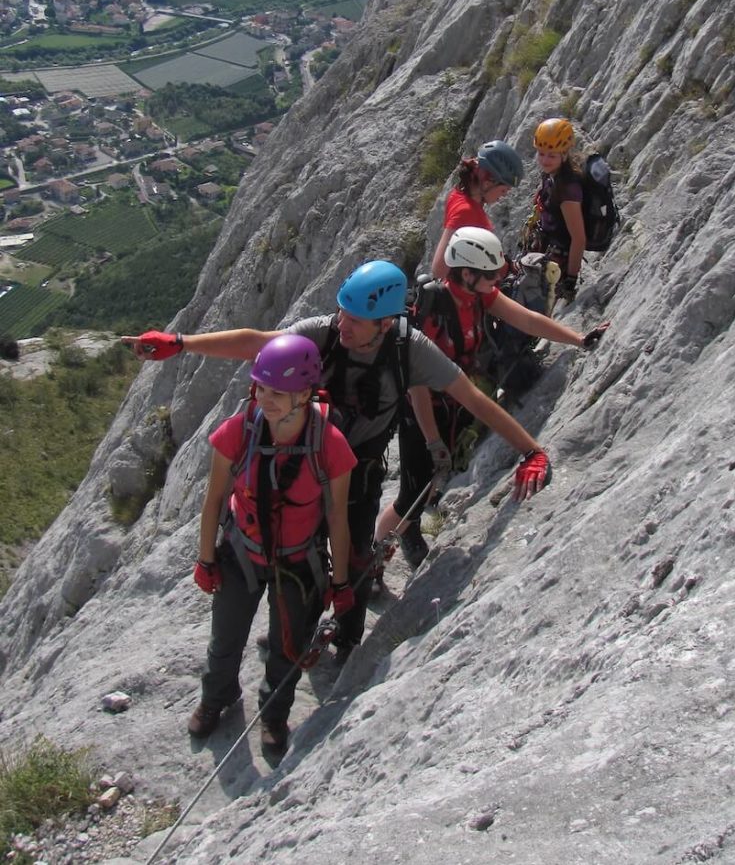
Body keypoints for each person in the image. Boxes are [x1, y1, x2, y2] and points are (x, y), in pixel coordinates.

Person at [124, 260, 552, 665]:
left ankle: (348, 639)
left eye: (355, 320)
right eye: (341, 312)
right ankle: (298, 637)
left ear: (384, 324)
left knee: (357, 559)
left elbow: (472, 398)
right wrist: (181, 344)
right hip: (306, 465)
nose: (342, 324)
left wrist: (531, 450)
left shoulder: (410, 351)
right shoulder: (325, 332)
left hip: (358, 471)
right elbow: (257, 342)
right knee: (302, 558)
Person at [376, 227, 609, 568]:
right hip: (420, 409)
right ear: (467, 274)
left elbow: (527, 319)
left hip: (454, 400)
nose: (496, 282)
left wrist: (578, 339)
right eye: (490, 276)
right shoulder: (431, 314)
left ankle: (408, 531)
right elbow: (417, 386)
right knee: (410, 493)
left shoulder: (479, 296)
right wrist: (432, 440)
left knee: (427, 484)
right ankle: (373, 562)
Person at [188, 334, 356, 751]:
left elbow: (337, 514)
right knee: (225, 638)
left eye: (278, 391)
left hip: (298, 564)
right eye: (261, 387)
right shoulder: (239, 431)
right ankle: (217, 697)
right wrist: (206, 560)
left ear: (304, 393)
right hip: (241, 553)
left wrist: (341, 579)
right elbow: (213, 502)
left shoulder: (329, 445)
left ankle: (274, 714)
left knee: (287, 648)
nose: (266, 398)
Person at [431, 140, 524, 279]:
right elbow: (439, 269)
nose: (504, 195)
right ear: (488, 183)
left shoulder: (458, 194)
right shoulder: (468, 212)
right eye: (503, 190)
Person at [522, 117, 586, 302]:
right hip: (546, 248)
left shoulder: (568, 189)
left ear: (564, 154)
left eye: (551, 155)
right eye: (541, 153)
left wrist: (570, 281)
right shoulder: (553, 175)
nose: (545, 160)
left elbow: (579, 238)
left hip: (557, 261)